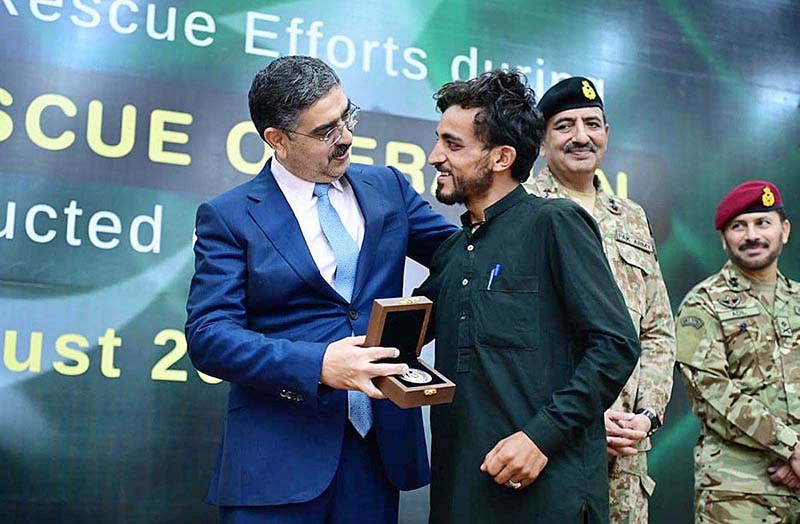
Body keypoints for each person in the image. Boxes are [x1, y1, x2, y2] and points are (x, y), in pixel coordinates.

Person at [184, 56, 458, 524]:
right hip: (275, 466)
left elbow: (459, 259)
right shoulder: (229, 216)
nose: (347, 137)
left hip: (376, 456)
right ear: (277, 140)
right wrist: (319, 365)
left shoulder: (387, 186)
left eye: (347, 116)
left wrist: (414, 323)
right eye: (327, 130)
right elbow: (209, 337)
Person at [416, 69, 640, 523]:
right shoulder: (454, 251)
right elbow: (401, 337)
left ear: (500, 157)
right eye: (440, 140)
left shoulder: (555, 223)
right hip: (460, 498)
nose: (435, 156)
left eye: (453, 145)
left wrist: (542, 436)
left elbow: (616, 345)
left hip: (548, 498)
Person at [523, 76, 676, 523]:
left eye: (592, 123)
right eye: (565, 125)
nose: (581, 136)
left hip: (627, 450)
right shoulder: (523, 209)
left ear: (607, 133)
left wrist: (645, 415)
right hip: (552, 444)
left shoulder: (630, 216)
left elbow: (658, 330)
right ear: (542, 138)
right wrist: (582, 417)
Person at [676, 180, 800, 524]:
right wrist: (791, 447)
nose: (752, 235)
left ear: (784, 230)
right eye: (738, 226)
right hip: (740, 491)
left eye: (763, 223)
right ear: (723, 238)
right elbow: (710, 392)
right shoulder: (702, 304)